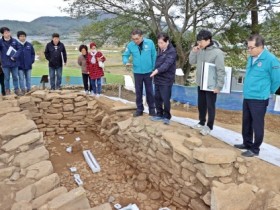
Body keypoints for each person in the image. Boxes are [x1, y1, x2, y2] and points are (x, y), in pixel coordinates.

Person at [234, 34, 280, 157]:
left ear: (260, 46)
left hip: (259, 98)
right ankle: (247, 143)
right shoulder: (251, 58)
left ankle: (255, 149)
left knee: (257, 124)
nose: (249, 50)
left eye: (251, 48)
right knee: (246, 122)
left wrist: (266, 91)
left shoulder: (271, 59)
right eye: (248, 48)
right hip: (248, 96)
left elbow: (277, 80)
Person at [189, 29, 225, 136]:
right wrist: (193, 51)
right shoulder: (200, 50)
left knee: (210, 106)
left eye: (201, 42)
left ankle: (209, 126)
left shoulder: (217, 52)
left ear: (208, 40)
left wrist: (219, 86)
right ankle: (201, 122)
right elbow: (192, 61)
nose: (199, 44)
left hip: (211, 85)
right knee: (201, 104)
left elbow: (220, 70)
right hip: (201, 83)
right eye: (198, 42)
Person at [122, 29, 156, 117]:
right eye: (133, 39)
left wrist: (153, 68)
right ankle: (139, 109)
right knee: (138, 92)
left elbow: (154, 55)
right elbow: (125, 55)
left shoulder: (150, 43)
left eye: (137, 38)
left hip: (149, 72)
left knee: (150, 91)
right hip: (137, 72)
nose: (135, 41)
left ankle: (152, 110)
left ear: (141, 36)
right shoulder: (130, 45)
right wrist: (126, 62)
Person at [150, 33, 177, 125]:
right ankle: (159, 114)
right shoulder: (160, 50)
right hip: (157, 78)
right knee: (157, 97)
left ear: (167, 42)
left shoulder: (172, 52)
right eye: (158, 43)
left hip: (166, 79)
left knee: (165, 98)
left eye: (161, 43)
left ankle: (167, 116)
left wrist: (156, 71)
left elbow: (166, 65)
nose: (159, 45)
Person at [0, 27, 22, 95]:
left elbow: (20, 49)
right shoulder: (0, 42)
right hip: (5, 64)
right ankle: (7, 91)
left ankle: (16, 90)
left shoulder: (14, 41)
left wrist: (14, 56)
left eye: (8, 32)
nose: (8, 34)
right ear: (2, 34)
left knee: (15, 77)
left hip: (14, 63)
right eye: (6, 33)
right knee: (6, 78)